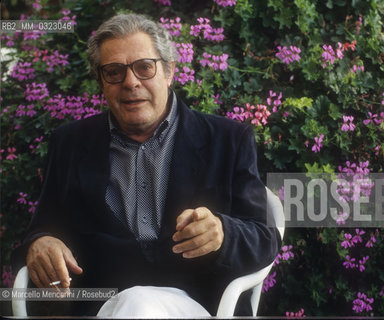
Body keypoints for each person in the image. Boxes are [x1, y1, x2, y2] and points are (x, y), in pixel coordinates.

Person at [13, 13, 281, 317]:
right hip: (101, 307)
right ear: (101, 82)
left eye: (144, 67)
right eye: (114, 72)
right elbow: (42, 230)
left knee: (139, 306)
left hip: (200, 304)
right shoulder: (70, 144)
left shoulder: (229, 140)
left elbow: (264, 237)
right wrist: (41, 243)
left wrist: (223, 232)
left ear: (168, 71)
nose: (130, 82)